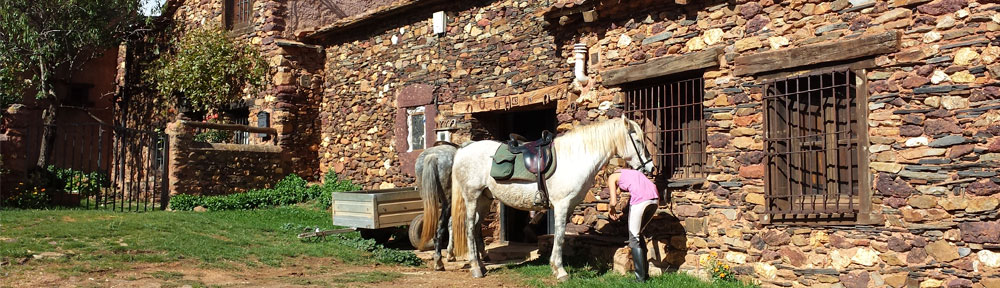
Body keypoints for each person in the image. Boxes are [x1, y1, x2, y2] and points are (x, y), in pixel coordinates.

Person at [607, 168, 659, 282]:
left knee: (634, 237)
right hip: (655, 200)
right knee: (638, 234)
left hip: (640, 201)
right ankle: (645, 274)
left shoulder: (612, 177)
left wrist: (611, 209)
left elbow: (613, 202)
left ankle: (640, 279)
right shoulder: (632, 172)